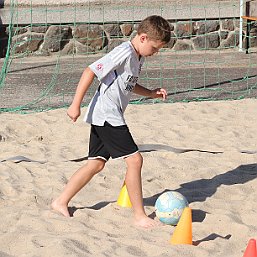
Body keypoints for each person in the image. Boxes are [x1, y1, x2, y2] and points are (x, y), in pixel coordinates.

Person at [51, 15, 171, 228]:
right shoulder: (123, 52)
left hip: (106, 114)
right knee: (135, 161)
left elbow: (129, 84)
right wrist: (75, 104)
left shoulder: (137, 56)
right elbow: (90, 71)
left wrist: (150, 93)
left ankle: (60, 202)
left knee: (95, 164)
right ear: (142, 38)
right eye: (155, 48)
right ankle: (139, 216)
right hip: (108, 115)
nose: (155, 53)